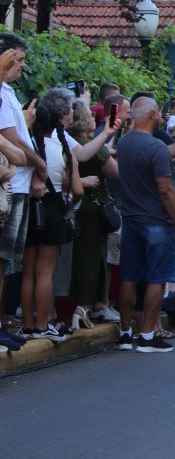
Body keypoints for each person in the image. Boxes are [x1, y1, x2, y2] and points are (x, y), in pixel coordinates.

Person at [116, 96, 175, 354]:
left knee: (129, 277)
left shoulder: (124, 143)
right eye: (159, 112)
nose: (163, 116)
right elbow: (166, 190)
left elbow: (162, 153)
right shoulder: (154, 147)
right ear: (152, 114)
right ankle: (148, 334)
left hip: (130, 219)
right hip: (156, 221)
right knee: (157, 278)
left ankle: (125, 332)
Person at [20, 103, 83, 341]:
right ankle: (42, 323)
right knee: (45, 271)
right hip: (54, 208)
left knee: (28, 271)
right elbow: (77, 189)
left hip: (30, 207)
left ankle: (26, 324)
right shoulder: (60, 149)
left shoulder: (26, 147)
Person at [0, 36, 43, 340]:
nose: (22, 66)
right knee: (2, 256)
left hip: (18, 183)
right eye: (17, 60)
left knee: (6, 259)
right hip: (10, 184)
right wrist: (38, 163)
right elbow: (11, 139)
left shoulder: (8, 93)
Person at [66, 97, 119, 329]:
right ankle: (87, 306)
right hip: (91, 207)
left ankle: (88, 306)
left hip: (78, 207)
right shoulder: (83, 144)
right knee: (92, 260)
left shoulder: (70, 141)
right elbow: (115, 172)